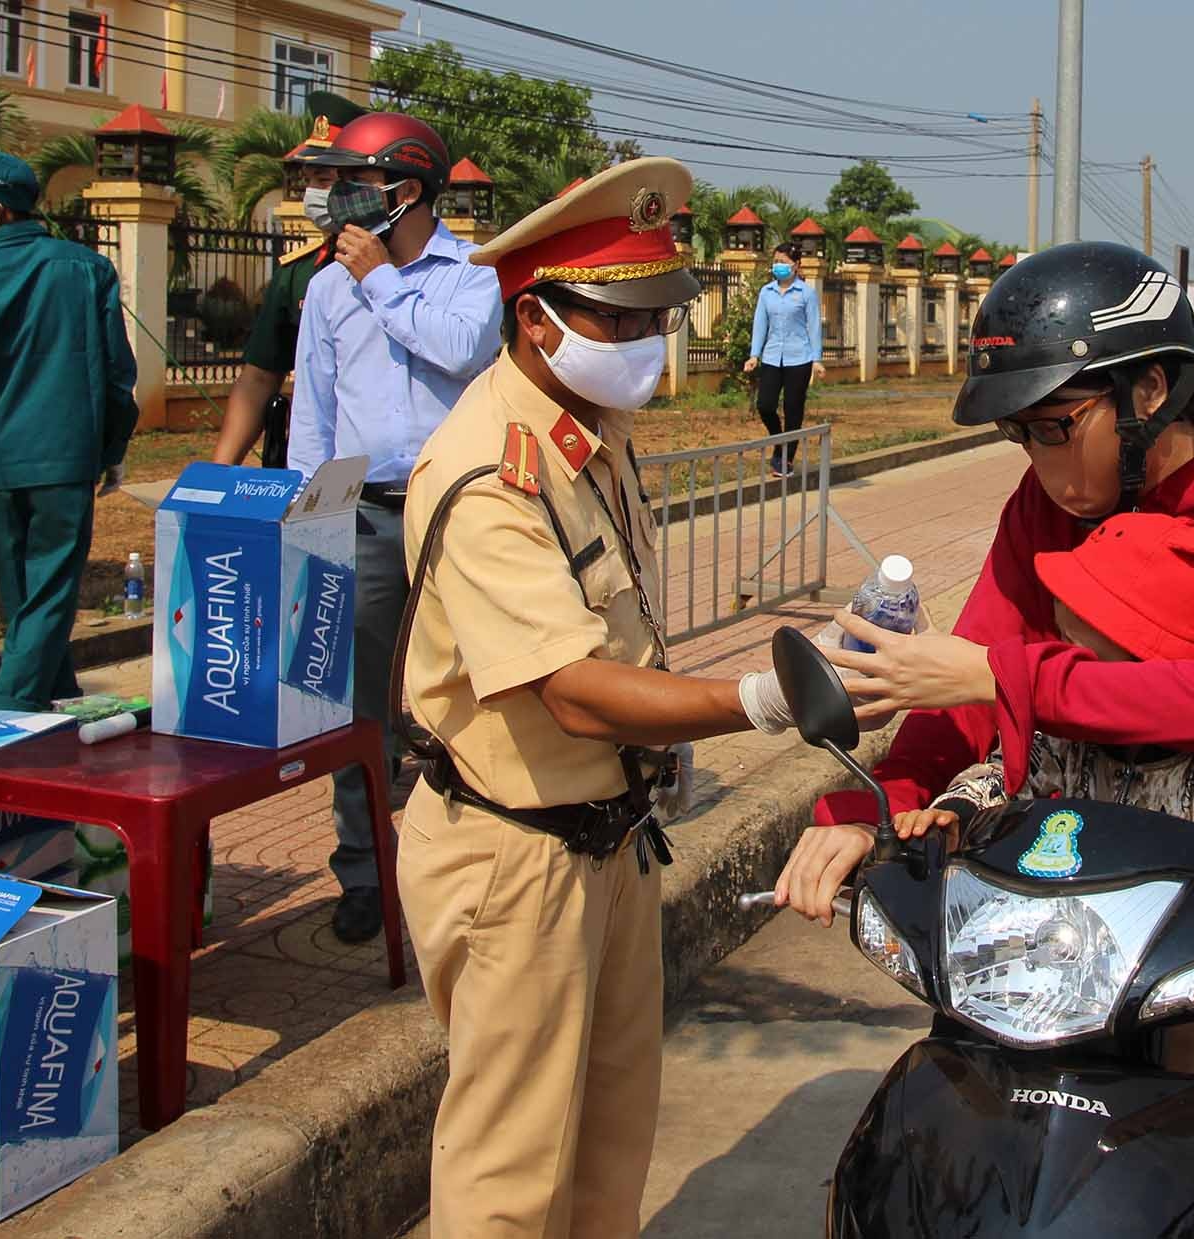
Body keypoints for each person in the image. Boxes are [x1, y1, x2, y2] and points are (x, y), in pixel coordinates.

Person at [772, 242, 1194, 1237]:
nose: (1038, 461)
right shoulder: (1040, 510)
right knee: (952, 1172)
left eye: (1054, 427)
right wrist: (862, 810)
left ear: (1147, 393)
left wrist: (1007, 677)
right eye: (1021, 435)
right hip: (1057, 904)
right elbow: (956, 711)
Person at [395, 156, 778, 1238]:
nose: (645, 345)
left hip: (606, 837)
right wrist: (751, 698)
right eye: (617, 321)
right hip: (512, 853)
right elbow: (570, 690)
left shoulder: (587, 434)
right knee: (509, 1173)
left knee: (611, 1135)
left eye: (656, 317)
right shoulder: (486, 475)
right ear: (535, 320)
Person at [287, 112, 503, 943]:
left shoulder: (470, 275)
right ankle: (365, 871)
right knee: (364, 705)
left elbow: (459, 350)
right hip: (368, 517)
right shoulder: (323, 288)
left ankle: (480, 860)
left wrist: (381, 280)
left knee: (479, 687)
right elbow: (313, 409)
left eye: (351, 184)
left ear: (403, 192)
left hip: (461, 513)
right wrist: (310, 516)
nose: (331, 199)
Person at [893, 511, 1194, 858]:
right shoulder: (1063, 742)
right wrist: (955, 814)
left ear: (1141, 659)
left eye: (1073, 645)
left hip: (1182, 948)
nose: (1062, 660)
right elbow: (997, 776)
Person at [0, 149, 137, 713]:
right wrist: (113, 447)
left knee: (25, 591)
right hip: (66, 456)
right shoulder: (87, 270)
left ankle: (26, 705)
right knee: (46, 591)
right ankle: (14, 709)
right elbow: (116, 373)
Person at [210, 91, 367, 468]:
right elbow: (260, 377)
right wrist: (217, 471)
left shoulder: (417, 268)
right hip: (315, 463)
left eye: (325, 178)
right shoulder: (299, 272)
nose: (313, 192)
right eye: (310, 179)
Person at [742, 241, 825, 476]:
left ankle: (786, 459)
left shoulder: (806, 293)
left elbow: (813, 327)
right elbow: (760, 324)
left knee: (793, 408)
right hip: (771, 356)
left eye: (784, 262)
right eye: (776, 261)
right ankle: (780, 442)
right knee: (765, 405)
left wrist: (817, 360)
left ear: (796, 265)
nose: (778, 266)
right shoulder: (766, 292)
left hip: (799, 358)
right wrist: (754, 355)